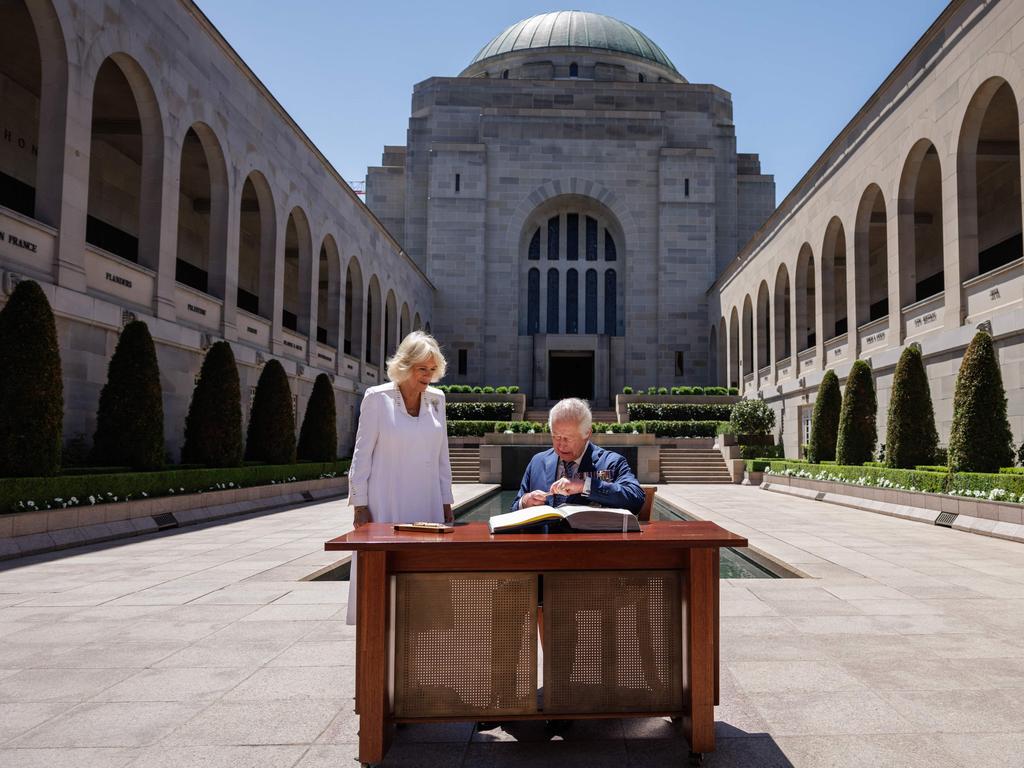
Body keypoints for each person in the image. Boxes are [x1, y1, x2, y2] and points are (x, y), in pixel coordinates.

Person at [345, 331, 454, 625]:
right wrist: (359, 505)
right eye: (422, 369)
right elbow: (361, 455)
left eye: (433, 370)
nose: (428, 376)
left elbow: (442, 456)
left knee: (424, 593)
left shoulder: (437, 400)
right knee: (382, 594)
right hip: (386, 504)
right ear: (405, 365)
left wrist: (446, 503)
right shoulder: (377, 398)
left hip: (427, 505)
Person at [511, 397, 645, 513]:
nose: (561, 445)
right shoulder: (537, 461)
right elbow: (514, 508)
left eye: (568, 438)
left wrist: (585, 486)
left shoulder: (612, 462)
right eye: (556, 437)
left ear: (587, 433)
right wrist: (525, 502)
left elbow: (636, 499)